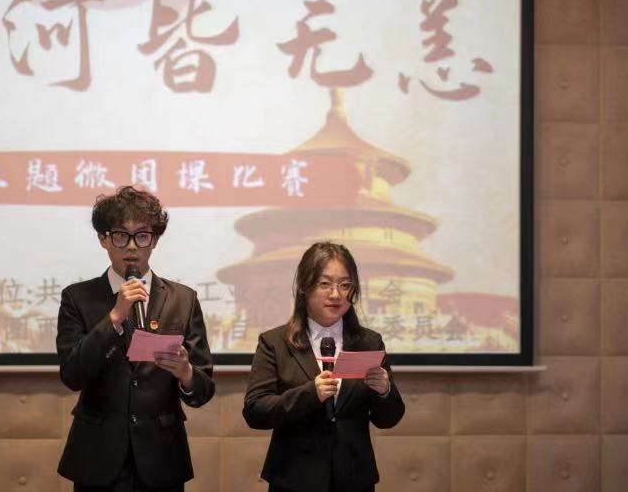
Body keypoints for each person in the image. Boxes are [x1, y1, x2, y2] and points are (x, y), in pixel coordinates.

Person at [57, 186, 215, 491]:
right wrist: (115, 316)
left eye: (142, 235)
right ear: (103, 239)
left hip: (161, 456)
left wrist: (186, 373)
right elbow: (72, 375)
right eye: (120, 235)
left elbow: (204, 390)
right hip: (97, 455)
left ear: (154, 240)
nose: (131, 246)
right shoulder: (77, 297)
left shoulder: (183, 299)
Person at [243, 241, 405, 492]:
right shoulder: (275, 342)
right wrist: (310, 394)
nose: (336, 294)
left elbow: (388, 419)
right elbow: (255, 411)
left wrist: (384, 391)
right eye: (325, 284)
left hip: (354, 478)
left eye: (345, 285)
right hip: (294, 478)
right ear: (305, 287)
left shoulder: (369, 342)